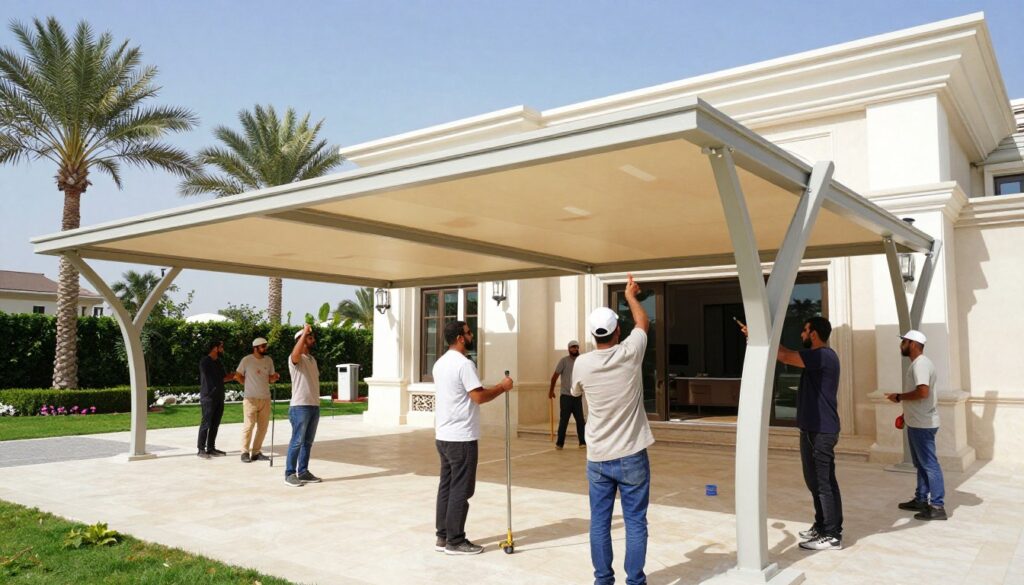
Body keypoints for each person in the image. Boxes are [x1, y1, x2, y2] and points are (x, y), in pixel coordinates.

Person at [571, 274, 654, 585]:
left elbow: (576, 393)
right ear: (618, 331)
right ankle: (635, 581)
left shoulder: (582, 364)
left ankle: (603, 580)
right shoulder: (630, 353)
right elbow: (643, 323)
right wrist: (631, 296)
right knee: (635, 522)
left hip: (598, 457)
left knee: (599, 523)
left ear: (593, 335)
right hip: (632, 455)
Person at [743, 316, 844, 551]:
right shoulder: (817, 357)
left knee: (823, 482)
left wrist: (758, 336)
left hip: (821, 431)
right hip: (812, 429)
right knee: (815, 482)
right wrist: (758, 336)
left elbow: (784, 356)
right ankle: (822, 526)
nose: (801, 335)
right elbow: (786, 351)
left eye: (804, 331)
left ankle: (832, 534)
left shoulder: (823, 356)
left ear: (814, 334)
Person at [433, 320, 513, 556]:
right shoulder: (464, 364)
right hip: (461, 437)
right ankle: (456, 541)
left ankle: (443, 535)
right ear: (459, 337)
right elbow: (478, 397)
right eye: (468, 333)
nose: (471, 336)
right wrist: (502, 386)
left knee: (446, 486)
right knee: (461, 489)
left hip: (444, 435)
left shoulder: (439, 363)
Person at [886, 330, 946, 521]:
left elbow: (922, 393)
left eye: (903, 341)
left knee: (929, 464)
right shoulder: (920, 364)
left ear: (912, 343)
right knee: (921, 464)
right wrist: (906, 413)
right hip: (918, 421)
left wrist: (899, 397)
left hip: (923, 424)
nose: (900, 344)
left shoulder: (920, 364)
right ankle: (921, 499)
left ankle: (937, 506)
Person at [284, 324, 321, 487]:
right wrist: (304, 331)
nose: (313, 340)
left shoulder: (312, 360)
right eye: (309, 337)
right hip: (300, 407)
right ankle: (289, 473)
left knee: (308, 442)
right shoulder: (295, 359)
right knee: (297, 441)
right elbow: (295, 353)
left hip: (313, 405)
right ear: (301, 340)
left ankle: (303, 471)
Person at [235, 337, 281, 463]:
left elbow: (270, 379)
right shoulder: (246, 360)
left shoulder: (268, 360)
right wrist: (247, 383)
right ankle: (244, 452)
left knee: (263, 427)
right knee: (249, 425)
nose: (265, 348)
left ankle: (256, 452)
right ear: (255, 348)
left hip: (265, 398)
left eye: (265, 346)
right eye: (263, 346)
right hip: (250, 399)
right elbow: (237, 375)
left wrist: (275, 377)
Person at [197, 340, 236, 459]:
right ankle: (200, 449)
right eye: (221, 346)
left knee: (215, 424)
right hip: (208, 397)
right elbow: (214, 377)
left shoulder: (218, 362)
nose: (223, 348)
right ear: (215, 348)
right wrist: (232, 376)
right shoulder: (205, 362)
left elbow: (223, 378)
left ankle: (211, 448)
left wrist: (235, 376)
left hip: (219, 396)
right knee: (206, 423)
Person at [550, 340, 585, 449]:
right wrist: (551, 391)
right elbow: (554, 377)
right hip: (565, 396)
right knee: (564, 420)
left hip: (577, 396)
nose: (575, 349)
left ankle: (582, 442)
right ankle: (560, 443)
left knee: (580, 420)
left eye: (576, 347)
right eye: (573, 347)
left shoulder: (581, 361)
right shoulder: (563, 361)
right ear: (569, 349)